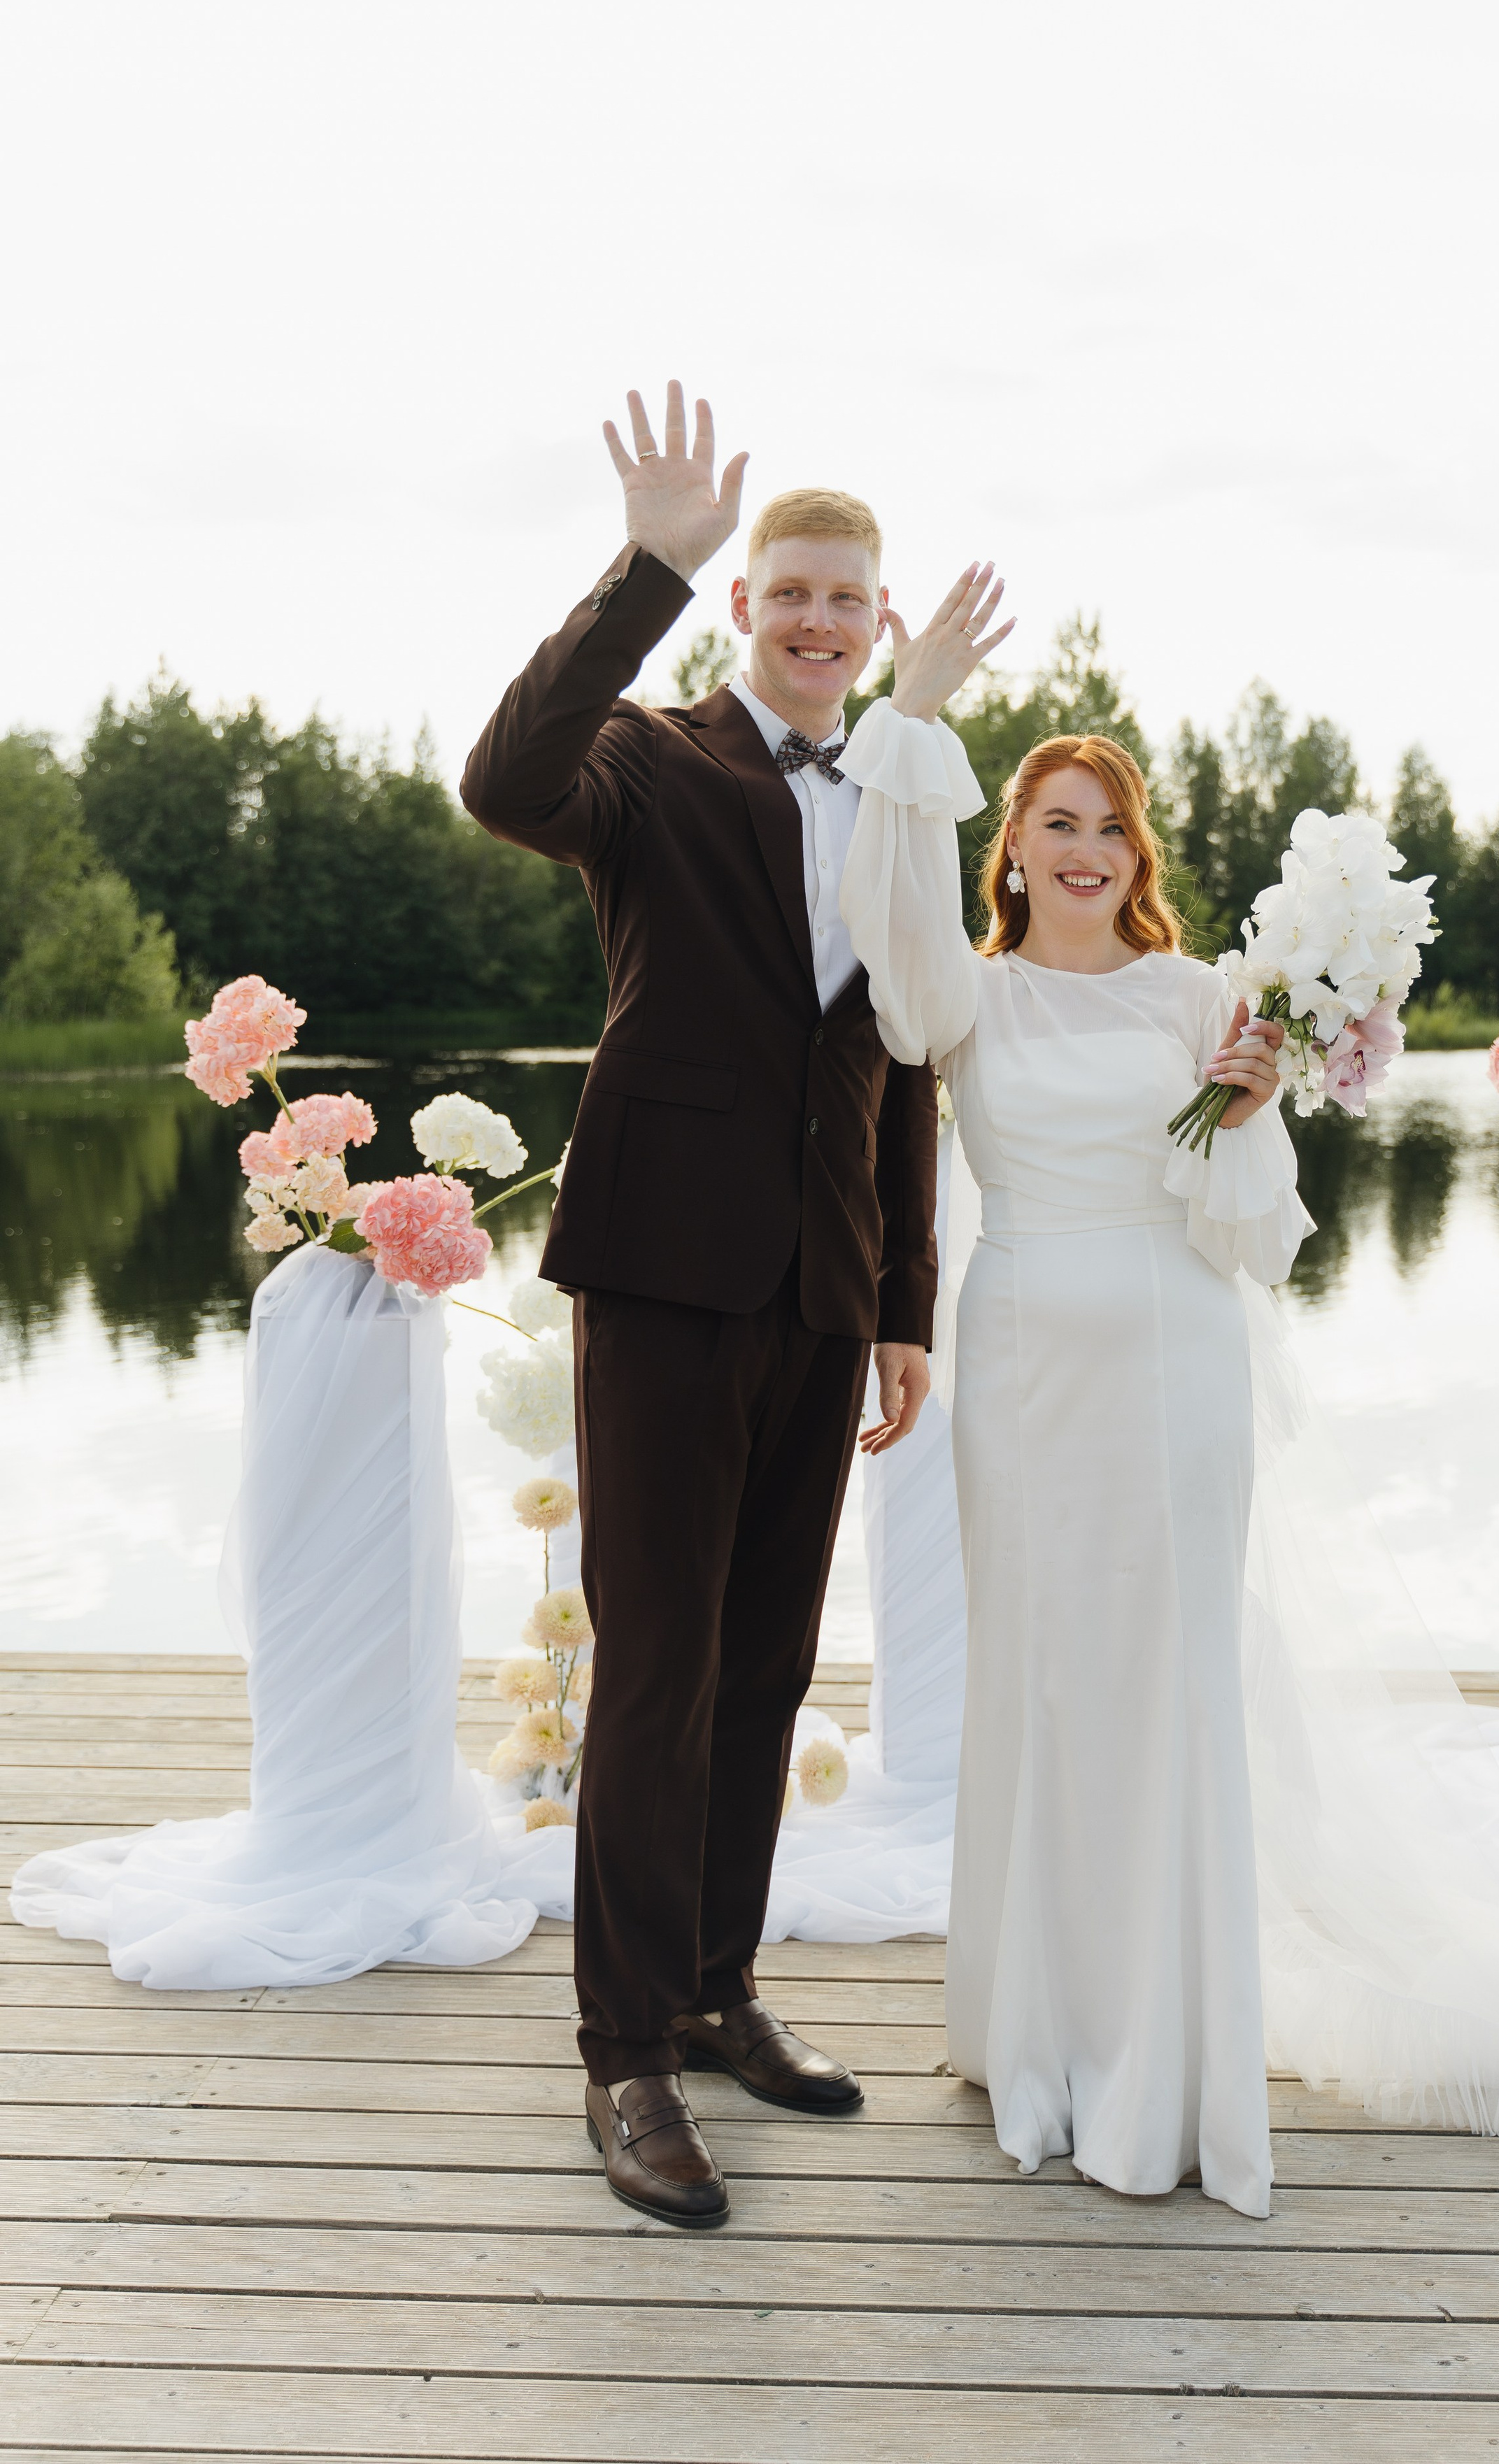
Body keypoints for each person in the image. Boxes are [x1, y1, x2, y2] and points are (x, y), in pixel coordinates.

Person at [833, 683, 1499, 2212]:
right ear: (1004, 846)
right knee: (1039, 1675)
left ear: (1135, 854)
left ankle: (1163, 2061)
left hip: (1170, 1357)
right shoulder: (967, 997)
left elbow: (1249, 1234)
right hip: (1015, 1362)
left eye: (1109, 828)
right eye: (1053, 825)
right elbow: (881, 925)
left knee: (1163, 1684)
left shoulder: (1197, 994)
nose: (1083, 851)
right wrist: (919, 709)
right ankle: (1034, 2029)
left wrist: (1249, 1107)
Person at [460, 384, 1012, 2229]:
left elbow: (910, 1051)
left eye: (847, 600)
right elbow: (496, 785)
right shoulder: (644, 761)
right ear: (746, 603)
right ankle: (622, 2052)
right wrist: (645, 568)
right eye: (787, 590)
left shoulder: (904, 784)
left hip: (819, 1291)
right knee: (661, 1666)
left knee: (768, 1670)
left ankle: (710, 1991)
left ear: (877, 617)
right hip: (662, 1272)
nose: (818, 621)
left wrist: (905, 1298)